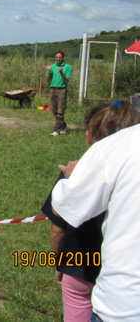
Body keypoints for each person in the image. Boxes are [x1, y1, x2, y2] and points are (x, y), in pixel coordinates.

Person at [43, 101, 139, 322]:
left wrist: (61, 262)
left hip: (88, 274)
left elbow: (58, 226)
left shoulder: (80, 171)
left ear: (88, 137)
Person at [45, 51, 72, 136]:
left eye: (60, 57)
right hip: (53, 89)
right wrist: (49, 71)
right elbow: (47, 80)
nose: (58, 59)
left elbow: (67, 80)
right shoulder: (52, 67)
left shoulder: (67, 67)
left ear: (63, 58)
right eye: (57, 57)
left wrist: (61, 72)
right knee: (54, 111)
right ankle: (63, 126)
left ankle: (56, 130)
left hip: (62, 90)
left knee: (61, 111)